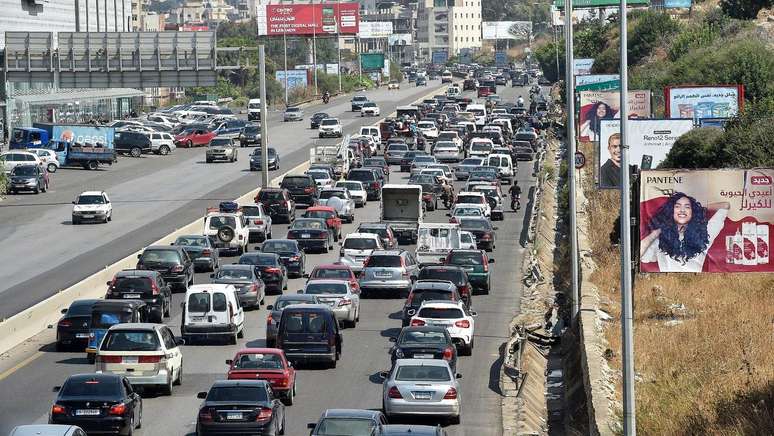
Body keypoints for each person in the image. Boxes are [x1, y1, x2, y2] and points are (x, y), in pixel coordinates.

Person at [640, 193, 730, 272]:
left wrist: (697, 208)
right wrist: (655, 233)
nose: (682, 210)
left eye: (687, 207)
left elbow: (725, 205)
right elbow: (640, 255)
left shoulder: (703, 234)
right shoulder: (661, 238)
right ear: (671, 211)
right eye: (677, 206)